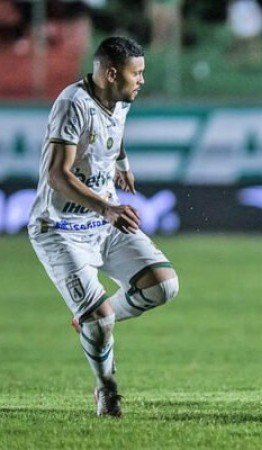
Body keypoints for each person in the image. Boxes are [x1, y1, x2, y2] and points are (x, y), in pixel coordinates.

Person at [28, 36, 180, 417]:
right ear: (111, 74)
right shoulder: (73, 104)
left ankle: (93, 317)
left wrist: (122, 163)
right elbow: (57, 175)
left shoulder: (118, 100)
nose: (142, 80)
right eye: (136, 73)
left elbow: (115, 129)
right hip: (59, 228)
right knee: (100, 321)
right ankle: (107, 388)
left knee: (163, 285)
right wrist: (108, 208)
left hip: (101, 221)